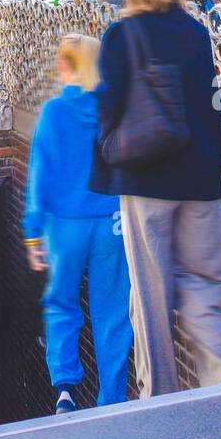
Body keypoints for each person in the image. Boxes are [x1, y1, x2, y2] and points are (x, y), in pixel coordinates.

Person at [92, 0, 221, 398]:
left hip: (148, 181)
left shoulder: (123, 35)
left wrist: (107, 149)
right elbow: (212, 100)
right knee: (202, 284)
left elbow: (108, 102)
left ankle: (159, 394)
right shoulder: (197, 32)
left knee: (151, 297)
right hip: (201, 182)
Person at [24, 34, 132, 415]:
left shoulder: (53, 113)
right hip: (111, 221)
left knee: (62, 304)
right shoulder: (113, 109)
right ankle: (113, 398)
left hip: (65, 226)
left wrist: (33, 234)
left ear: (65, 67)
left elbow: (40, 176)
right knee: (113, 312)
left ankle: (66, 389)